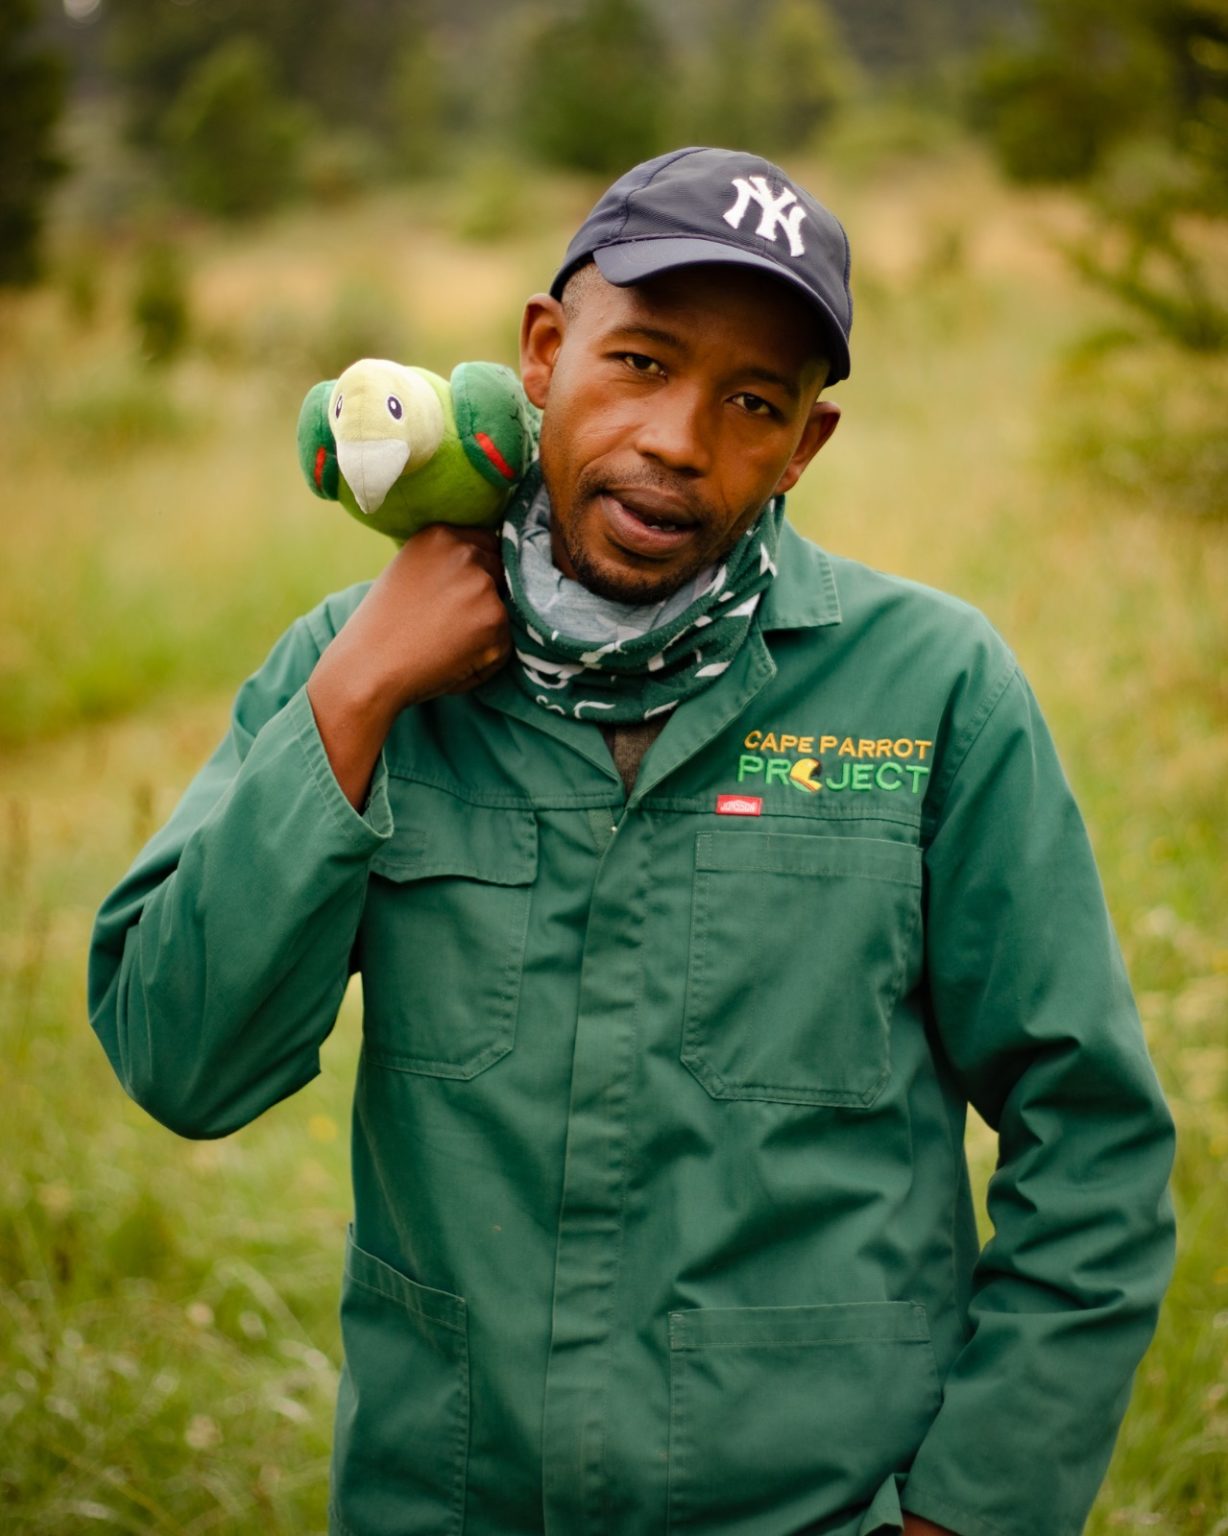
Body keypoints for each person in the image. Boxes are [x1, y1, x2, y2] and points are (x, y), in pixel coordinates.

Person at [89, 147, 1175, 1536]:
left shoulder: (932, 691)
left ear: (806, 445)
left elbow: (1093, 1138)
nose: (678, 439)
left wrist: (974, 1508)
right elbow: (183, 1061)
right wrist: (355, 698)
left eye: (752, 402)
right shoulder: (355, 674)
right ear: (543, 354)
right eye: (643, 363)